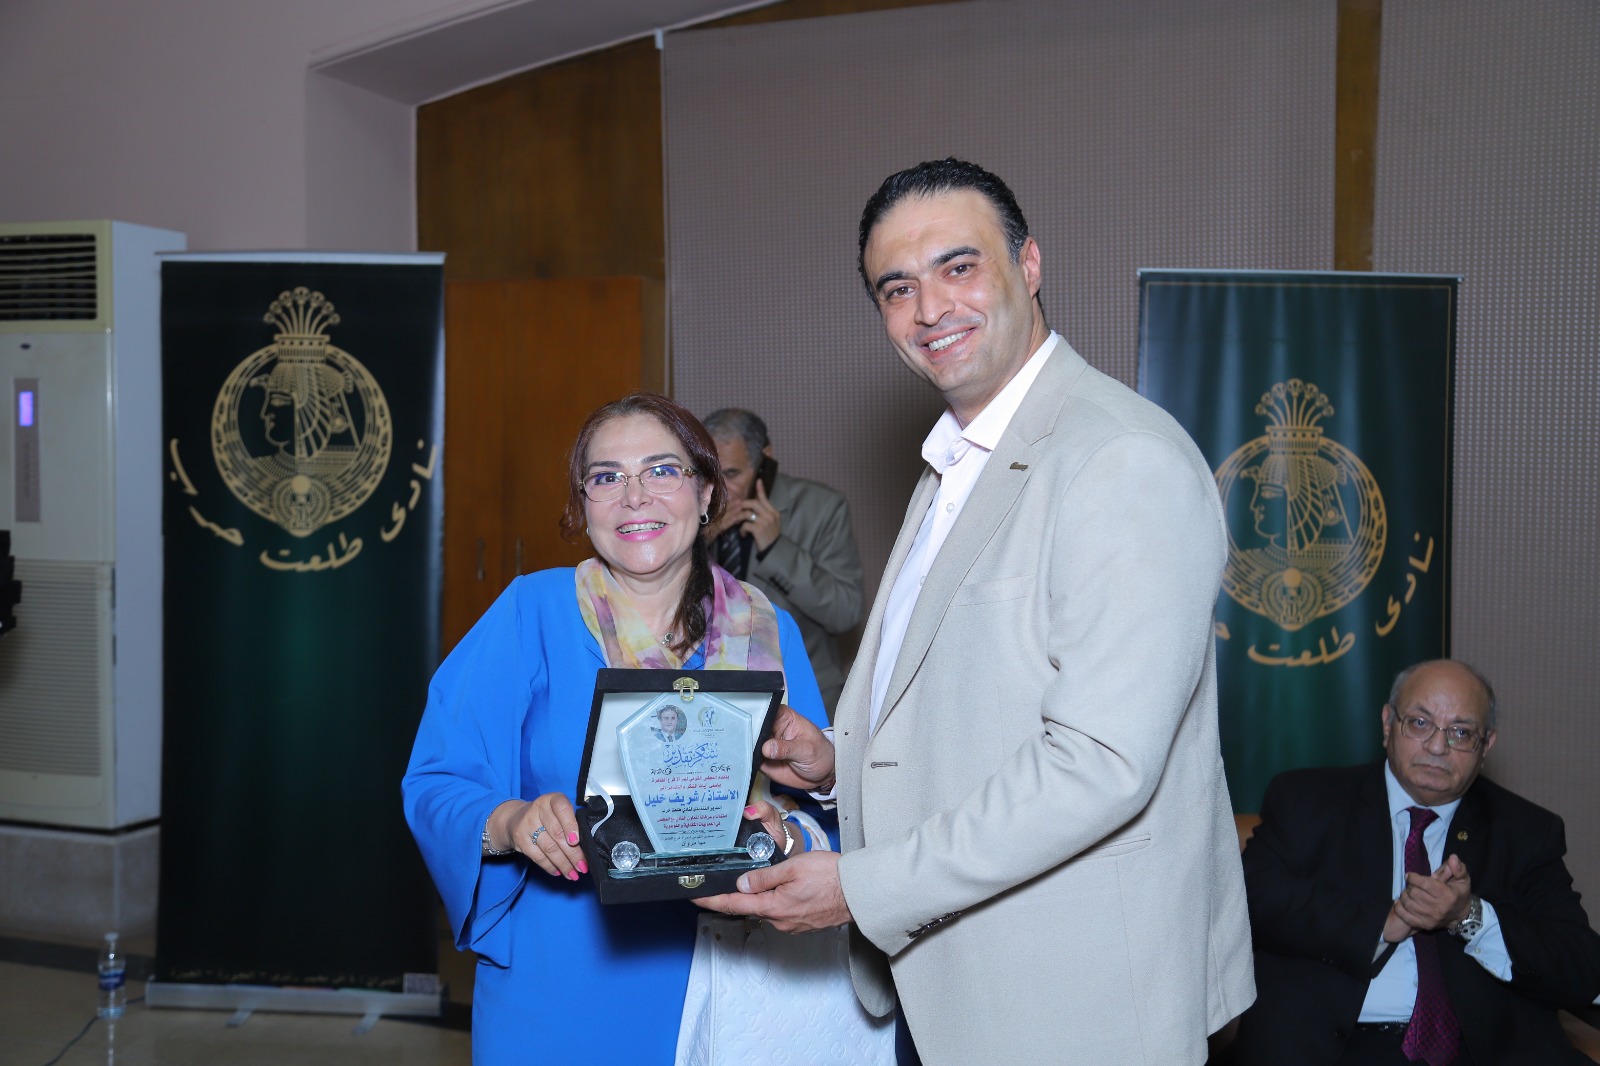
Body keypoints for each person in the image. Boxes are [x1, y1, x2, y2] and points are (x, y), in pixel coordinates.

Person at [697, 158, 1255, 1064]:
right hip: (955, 982)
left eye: (959, 267)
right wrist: (839, 765)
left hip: (1072, 998)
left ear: (1029, 264)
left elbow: (1100, 763)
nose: (929, 309)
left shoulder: (1120, 457)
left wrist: (860, 888)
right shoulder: (961, 457)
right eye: (897, 288)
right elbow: (974, 707)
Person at [402, 393, 831, 1065]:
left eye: (661, 470)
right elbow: (437, 782)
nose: (634, 496)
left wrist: (790, 832)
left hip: (734, 982)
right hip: (561, 984)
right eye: (606, 477)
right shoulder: (531, 613)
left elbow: (826, 804)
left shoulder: (767, 630)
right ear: (584, 504)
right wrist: (510, 821)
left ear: (706, 492)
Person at [1224, 659, 1600, 1065]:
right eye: (1420, 723)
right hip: (1332, 1050)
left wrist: (1469, 916)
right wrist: (1382, 924)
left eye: (1461, 732)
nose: (1437, 747)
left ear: (1486, 746)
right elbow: (1249, 900)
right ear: (1388, 724)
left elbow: (1582, 967)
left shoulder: (1525, 831)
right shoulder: (1307, 801)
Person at [702, 407, 865, 712]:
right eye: (711, 474)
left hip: (804, 693)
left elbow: (845, 612)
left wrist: (776, 549)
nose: (719, 489)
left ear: (764, 459)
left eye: (732, 474)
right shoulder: (691, 515)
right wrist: (700, 541)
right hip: (716, 699)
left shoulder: (822, 508)